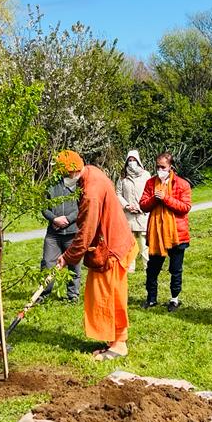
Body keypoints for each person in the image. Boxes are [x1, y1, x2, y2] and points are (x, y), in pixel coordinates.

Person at [54, 150, 136, 360]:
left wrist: (67, 257)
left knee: (111, 297)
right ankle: (112, 340)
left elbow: (86, 231)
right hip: (112, 244)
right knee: (102, 296)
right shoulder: (91, 172)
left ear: (71, 171)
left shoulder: (91, 191)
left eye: (62, 173)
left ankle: (119, 345)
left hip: (111, 250)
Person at [139, 151, 192, 311]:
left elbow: (185, 208)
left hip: (177, 234)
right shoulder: (150, 183)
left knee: (175, 270)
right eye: (157, 166)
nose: (159, 169)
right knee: (152, 269)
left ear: (170, 167)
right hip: (156, 234)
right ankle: (151, 298)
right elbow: (143, 205)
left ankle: (174, 299)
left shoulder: (182, 184)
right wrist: (155, 198)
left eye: (163, 167)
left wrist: (166, 198)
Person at [40, 169, 81, 302]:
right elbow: (44, 207)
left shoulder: (78, 184)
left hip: (72, 232)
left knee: (74, 264)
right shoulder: (50, 185)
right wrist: (54, 219)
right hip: (53, 233)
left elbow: (82, 207)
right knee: (47, 263)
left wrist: (68, 219)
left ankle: (73, 294)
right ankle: (43, 294)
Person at [116, 150, 150, 272]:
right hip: (128, 215)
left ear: (138, 161)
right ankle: (130, 267)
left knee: (144, 242)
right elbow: (118, 194)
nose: (131, 163)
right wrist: (126, 205)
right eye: (129, 160)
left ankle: (148, 267)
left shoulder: (146, 175)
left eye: (134, 160)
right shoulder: (123, 177)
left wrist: (141, 207)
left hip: (142, 214)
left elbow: (149, 192)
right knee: (130, 243)